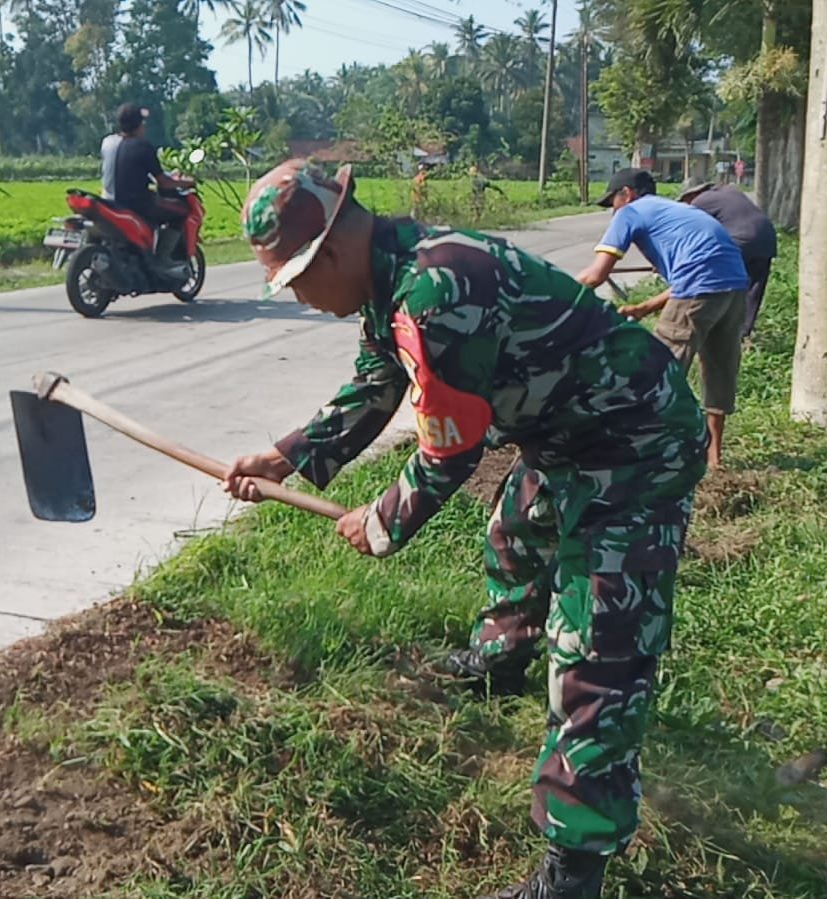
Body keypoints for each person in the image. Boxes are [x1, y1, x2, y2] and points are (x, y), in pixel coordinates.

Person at [222, 159, 708, 899]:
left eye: (295, 276)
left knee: (599, 644)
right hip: (568, 436)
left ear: (334, 247)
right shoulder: (396, 279)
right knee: (516, 534)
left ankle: (570, 871)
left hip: (635, 443)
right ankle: (498, 658)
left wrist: (381, 519)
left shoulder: (434, 290)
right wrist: (287, 455)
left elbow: (450, 444)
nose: (296, 296)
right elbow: (376, 380)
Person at [576, 168, 747, 469]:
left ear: (626, 194)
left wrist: (550, 292)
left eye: (612, 202)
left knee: (655, 369)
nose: (612, 211)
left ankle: (644, 456)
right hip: (734, 286)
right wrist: (644, 308)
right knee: (720, 368)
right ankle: (714, 458)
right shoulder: (676, 210)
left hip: (702, 285)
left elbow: (595, 275)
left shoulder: (630, 212)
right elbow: (696, 278)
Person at [677, 180, 778, 339]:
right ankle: (744, 333)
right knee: (753, 288)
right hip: (767, 239)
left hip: (741, 239)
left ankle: (710, 329)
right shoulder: (730, 191)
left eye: (686, 199)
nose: (686, 203)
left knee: (717, 281)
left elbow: (689, 232)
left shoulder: (700, 201)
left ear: (693, 193)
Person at [110, 103, 194, 274]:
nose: (145, 125)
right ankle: (162, 259)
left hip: (115, 202)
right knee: (180, 212)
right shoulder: (143, 147)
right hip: (140, 204)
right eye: (142, 122)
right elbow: (163, 182)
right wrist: (186, 182)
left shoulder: (113, 144)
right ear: (138, 125)